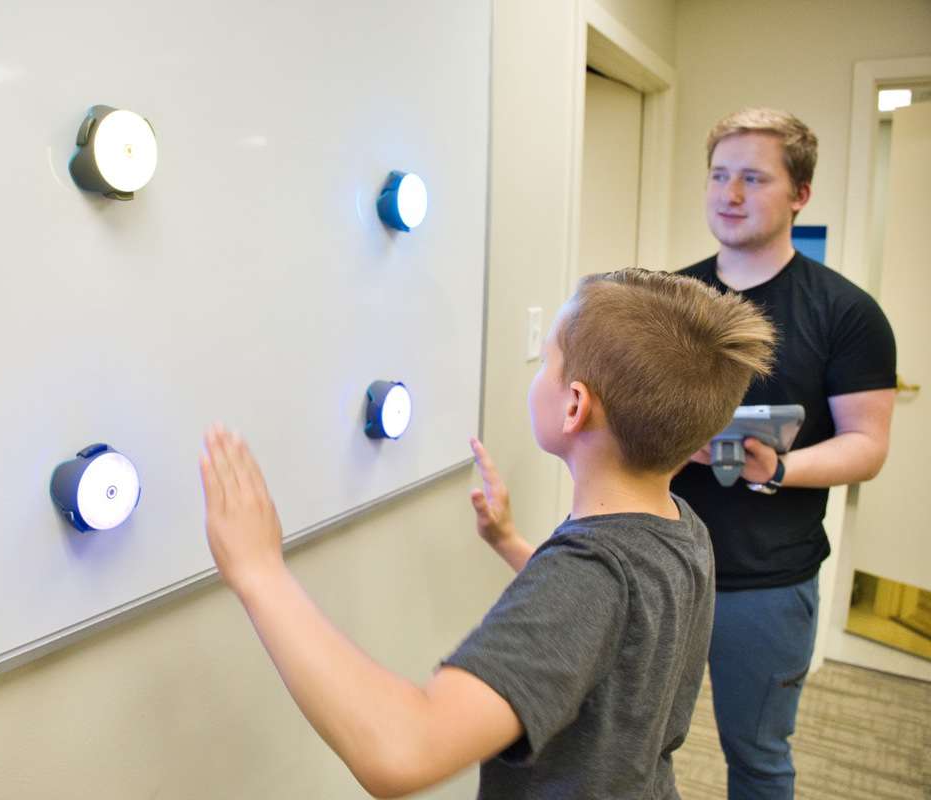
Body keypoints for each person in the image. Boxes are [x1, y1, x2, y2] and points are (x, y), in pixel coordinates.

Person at [200, 268, 776, 798]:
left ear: (575, 405)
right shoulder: (680, 527)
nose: (537, 375)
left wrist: (259, 572)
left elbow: (404, 749)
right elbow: (614, 627)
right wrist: (511, 543)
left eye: (546, 362)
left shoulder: (588, 576)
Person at [671, 107, 898, 799]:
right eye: (718, 176)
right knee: (637, 746)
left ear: (800, 194)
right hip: (665, 565)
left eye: (752, 178)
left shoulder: (846, 313)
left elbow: (867, 446)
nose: (729, 195)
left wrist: (782, 468)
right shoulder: (667, 300)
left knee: (759, 758)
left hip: (766, 584)